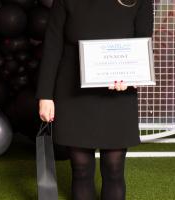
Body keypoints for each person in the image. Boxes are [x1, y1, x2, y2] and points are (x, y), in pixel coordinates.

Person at [35, 0, 153, 199]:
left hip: (117, 96)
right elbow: (52, 45)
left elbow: (142, 43)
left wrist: (131, 77)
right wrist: (45, 95)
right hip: (72, 92)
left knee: (114, 169)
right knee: (80, 169)